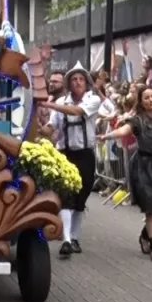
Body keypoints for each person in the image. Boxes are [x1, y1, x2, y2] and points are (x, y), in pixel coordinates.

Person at [98, 85, 152, 262]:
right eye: (146, 97)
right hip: (144, 165)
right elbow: (124, 130)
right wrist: (107, 136)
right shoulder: (138, 120)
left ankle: (146, 235)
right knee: (151, 207)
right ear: (141, 101)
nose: (150, 100)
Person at [44, 65, 102, 258]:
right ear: (69, 84)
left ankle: (74, 236)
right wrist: (39, 128)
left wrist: (50, 105)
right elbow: (52, 127)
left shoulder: (92, 100)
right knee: (66, 195)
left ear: (86, 83)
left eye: (81, 80)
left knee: (82, 195)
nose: (77, 83)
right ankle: (67, 239)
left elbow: (76, 111)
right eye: (74, 79)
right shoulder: (62, 101)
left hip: (85, 154)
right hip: (65, 154)